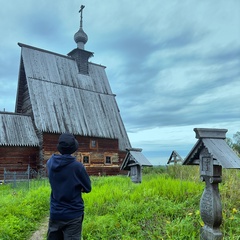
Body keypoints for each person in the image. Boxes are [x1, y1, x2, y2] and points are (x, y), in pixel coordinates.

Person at [47, 133, 91, 240]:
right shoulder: (77, 167)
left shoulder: (50, 163)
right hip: (73, 214)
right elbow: (88, 188)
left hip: (55, 212)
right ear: (74, 148)